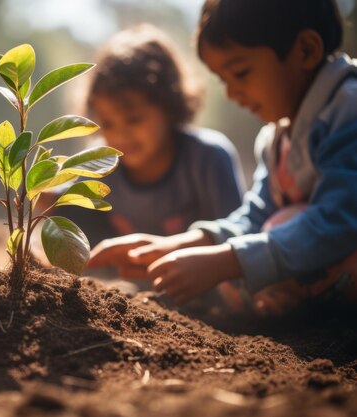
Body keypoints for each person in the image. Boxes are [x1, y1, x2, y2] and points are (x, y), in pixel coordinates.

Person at [89, 0, 357, 316]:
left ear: (306, 50)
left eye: (241, 73)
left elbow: (341, 218)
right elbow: (255, 215)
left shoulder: (347, 110)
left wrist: (225, 261)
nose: (231, 94)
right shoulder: (276, 138)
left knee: (268, 239)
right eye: (224, 79)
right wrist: (181, 245)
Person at [48, 24, 245, 247]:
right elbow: (60, 199)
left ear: (169, 105)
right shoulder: (100, 163)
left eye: (134, 119)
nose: (121, 135)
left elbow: (237, 240)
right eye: (108, 123)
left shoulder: (207, 159)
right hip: (123, 282)